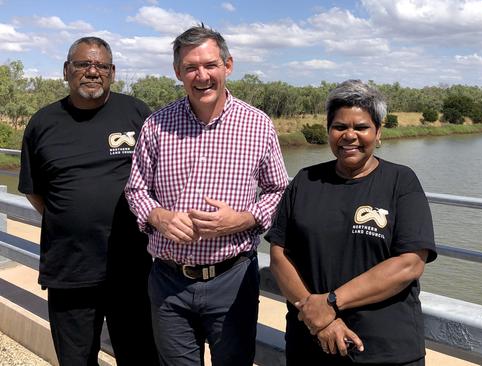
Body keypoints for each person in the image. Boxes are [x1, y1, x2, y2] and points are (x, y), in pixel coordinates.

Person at [124, 24, 288, 366]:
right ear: (178, 73)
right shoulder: (156, 125)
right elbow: (136, 189)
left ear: (227, 66)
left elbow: (278, 191)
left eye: (210, 65)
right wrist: (159, 217)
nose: (202, 75)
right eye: (191, 67)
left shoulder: (257, 125)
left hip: (233, 281)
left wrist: (242, 220)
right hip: (169, 281)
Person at [266, 79, 437, 366]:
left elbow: (410, 262)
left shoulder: (400, 181)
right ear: (329, 132)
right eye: (340, 127)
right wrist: (318, 319)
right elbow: (279, 255)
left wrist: (331, 303)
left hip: (385, 349)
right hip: (310, 343)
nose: (350, 136)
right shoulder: (305, 182)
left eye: (361, 127)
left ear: (378, 132)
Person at [19, 37, 159, 365]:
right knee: (76, 360)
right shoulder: (42, 123)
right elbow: (35, 191)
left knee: (141, 356)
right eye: (83, 64)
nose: (92, 71)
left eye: (101, 66)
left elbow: (160, 178)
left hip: (132, 269)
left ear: (112, 72)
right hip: (70, 271)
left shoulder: (137, 113)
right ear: (67, 70)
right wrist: (73, 217)